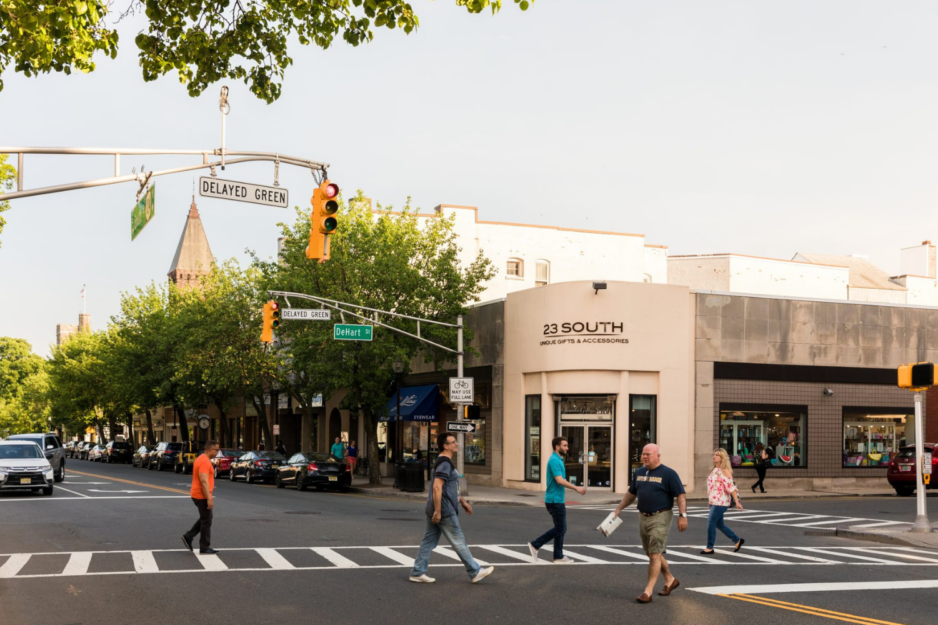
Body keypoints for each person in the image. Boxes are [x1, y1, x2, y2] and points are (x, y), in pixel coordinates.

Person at [409, 432, 495, 584]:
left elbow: (450, 487)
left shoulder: (444, 461)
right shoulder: (444, 463)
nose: (456, 444)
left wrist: (463, 502)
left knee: (428, 541)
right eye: (453, 442)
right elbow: (437, 487)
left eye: (455, 441)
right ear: (445, 446)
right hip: (444, 510)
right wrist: (438, 511)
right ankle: (475, 571)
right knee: (458, 541)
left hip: (436, 508)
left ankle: (417, 572)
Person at [613, 444, 687, 604]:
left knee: (654, 554)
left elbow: (680, 495)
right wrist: (619, 508)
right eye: (643, 454)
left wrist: (683, 515)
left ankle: (648, 591)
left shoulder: (668, 473)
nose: (644, 457)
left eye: (648, 454)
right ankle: (670, 579)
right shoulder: (639, 472)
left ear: (658, 456)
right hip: (643, 516)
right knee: (651, 552)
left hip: (661, 516)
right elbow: (631, 494)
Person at [527, 436, 586, 564]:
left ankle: (558, 556)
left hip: (556, 499)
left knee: (561, 528)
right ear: (557, 447)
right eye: (565, 445)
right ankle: (535, 544)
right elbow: (559, 480)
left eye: (567, 445)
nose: (567, 448)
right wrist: (576, 488)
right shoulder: (554, 460)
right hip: (554, 500)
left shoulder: (558, 459)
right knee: (560, 528)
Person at [702, 449, 744, 555]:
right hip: (714, 502)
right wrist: (710, 502)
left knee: (711, 523)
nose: (714, 456)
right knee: (719, 525)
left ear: (722, 458)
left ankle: (709, 547)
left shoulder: (725, 471)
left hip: (721, 502)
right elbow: (712, 488)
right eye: (714, 454)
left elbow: (731, 488)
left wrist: (737, 502)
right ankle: (737, 540)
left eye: (717, 455)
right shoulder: (714, 470)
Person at [182, 440, 220, 555]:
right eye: (216, 450)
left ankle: (189, 536)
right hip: (201, 495)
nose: (217, 452)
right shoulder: (204, 461)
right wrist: (209, 498)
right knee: (206, 521)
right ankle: (204, 546)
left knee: (206, 518)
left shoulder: (202, 459)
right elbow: (204, 481)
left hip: (198, 494)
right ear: (210, 449)